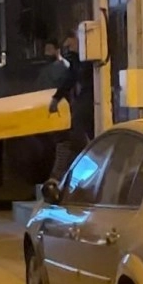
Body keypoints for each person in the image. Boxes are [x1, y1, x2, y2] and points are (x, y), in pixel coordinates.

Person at [48, 32, 95, 180]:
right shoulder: (76, 60)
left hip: (91, 97)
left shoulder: (89, 57)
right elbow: (70, 78)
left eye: (70, 45)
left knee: (79, 127)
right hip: (85, 99)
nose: (69, 50)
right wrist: (57, 98)